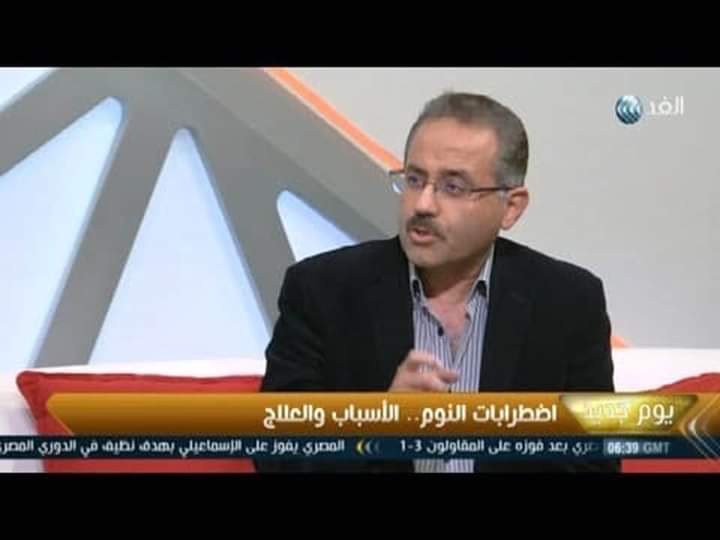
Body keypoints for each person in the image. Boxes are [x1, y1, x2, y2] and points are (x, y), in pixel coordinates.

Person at [257, 92, 617, 473]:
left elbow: (595, 463)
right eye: (414, 180)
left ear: (511, 207)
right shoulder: (322, 290)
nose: (423, 205)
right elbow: (279, 455)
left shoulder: (569, 303)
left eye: (453, 187)